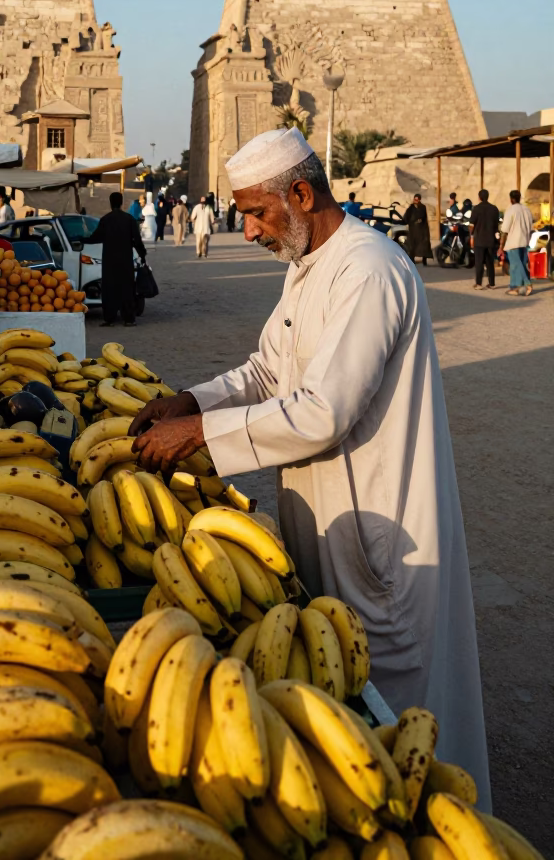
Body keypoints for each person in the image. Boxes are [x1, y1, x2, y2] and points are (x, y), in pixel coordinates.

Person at [130, 126, 490, 800]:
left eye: (259, 213)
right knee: (340, 715)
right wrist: (188, 400)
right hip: (329, 522)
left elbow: (325, 409)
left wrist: (200, 434)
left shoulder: (369, 268)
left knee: (397, 730)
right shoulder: (308, 268)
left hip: (381, 538)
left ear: (301, 193)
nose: (253, 231)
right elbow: (268, 371)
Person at [82, 192, 146, 326]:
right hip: (125, 260)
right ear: (121, 202)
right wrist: (142, 254)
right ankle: (128, 319)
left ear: (110, 203)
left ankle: (109, 318)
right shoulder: (129, 219)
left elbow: (96, 237)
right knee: (127, 289)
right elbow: (137, 240)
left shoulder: (106, 219)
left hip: (109, 261)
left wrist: (81, 239)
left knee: (109, 289)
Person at [498, 189, 533, 297]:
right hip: (524, 241)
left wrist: (501, 246)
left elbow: (504, 230)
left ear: (511, 199)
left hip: (514, 242)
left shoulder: (511, 210)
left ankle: (527, 284)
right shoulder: (526, 209)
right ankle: (515, 287)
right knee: (519, 264)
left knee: (516, 264)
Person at [469, 189, 500, 289]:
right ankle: (492, 283)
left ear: (479, 197)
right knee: (490, 262)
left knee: (479, 262)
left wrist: (471, 235)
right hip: (491, 240)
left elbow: (471, 225)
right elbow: (496, 225)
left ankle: (478, 284)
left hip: (480, 240)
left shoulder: (476, 209)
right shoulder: (494, 209)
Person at [402, 193, 432, 265]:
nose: (415, 201)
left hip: (421, 229)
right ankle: (412, 260)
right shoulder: (411, 208)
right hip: (413, 229)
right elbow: (406, 217)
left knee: (423, 245)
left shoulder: (422, 207)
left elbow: (424, 218)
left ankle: (424, 260)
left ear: (419, 200)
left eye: (417, 199)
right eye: (415, 199)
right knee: (412, 245)